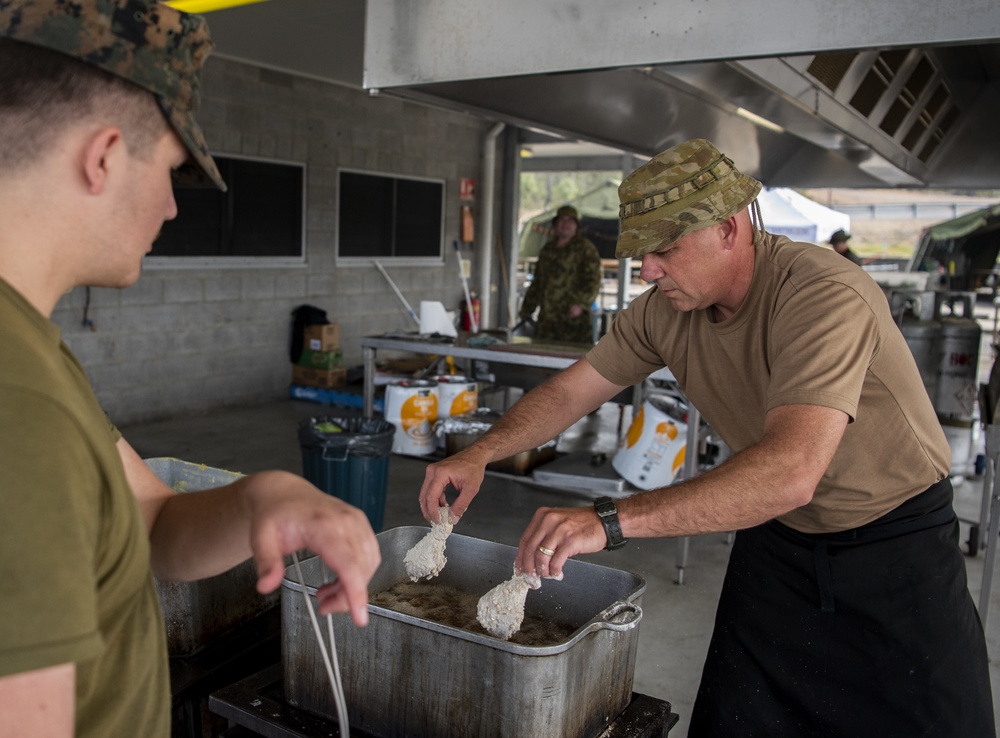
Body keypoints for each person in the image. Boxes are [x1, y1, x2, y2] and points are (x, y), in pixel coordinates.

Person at [421, 138, 995, 735]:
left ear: (729, 228)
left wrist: (608, 520)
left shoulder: (821, 294)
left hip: (895, 550)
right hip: (780, 543)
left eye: (665, 249)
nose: (647, 270)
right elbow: (572, 391)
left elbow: (792, 470)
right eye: (641, 252)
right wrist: (481, 452)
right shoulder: (664, 311)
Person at [0, 2, 380, 736]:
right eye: (172, 170)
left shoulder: (32, 352)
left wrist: (265, 498)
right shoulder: (18, 403)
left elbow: (150, 521)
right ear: (104, 156)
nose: (173, 207)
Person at [519, 205, 602, 343]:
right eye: (562, 220)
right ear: (555, 223)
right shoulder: (548, 250)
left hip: (572, 320)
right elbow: (538, 282)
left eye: (570, 220)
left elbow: (594, 280)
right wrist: (526, 310)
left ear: (576, 225)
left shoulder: (585, 249)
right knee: (542, 357)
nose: (565, 224)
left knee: (573, 359)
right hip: (547, 319)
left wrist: (580, 304)